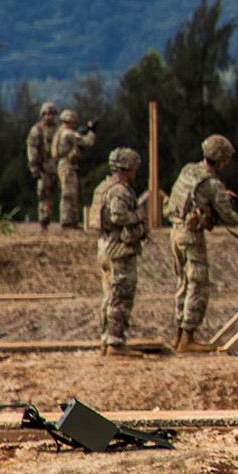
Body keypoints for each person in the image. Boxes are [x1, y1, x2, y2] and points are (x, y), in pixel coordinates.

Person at [165, 134, 238, 348]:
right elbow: (229, 216)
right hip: (191, 235)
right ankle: (188, 339)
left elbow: (193, 195)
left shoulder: (189, 170)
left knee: (184, 283)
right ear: (223, 160)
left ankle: (178, 335)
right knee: (198, 285)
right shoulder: (212, 183)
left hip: (175, 232)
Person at [89, 147, 148, 351]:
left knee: (110, 296)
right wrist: (139, 216)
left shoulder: (104, 187)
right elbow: (118, 216)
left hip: (105, 246)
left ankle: (107, 339)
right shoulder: (120, 190)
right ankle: (115, 342)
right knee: (121, 296)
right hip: (119, 250)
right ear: (128, 169)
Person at [52, 110, 96, 233]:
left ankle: (72, 222)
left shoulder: (60, 132)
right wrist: (92, 130)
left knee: (71, 193)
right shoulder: (68, 134)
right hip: (67, 165)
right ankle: (67, 223)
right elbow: (88, 142)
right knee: (68, 194)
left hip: (64, 164)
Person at [25, 101, 60, 227]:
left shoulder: (58, 129)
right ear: (43, 115)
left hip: (57, 166)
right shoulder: (37, 130)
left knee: (65, 195)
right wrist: (34, 166)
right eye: (47, 114)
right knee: (44, 195)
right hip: (44, 167)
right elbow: (32, 149)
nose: (50, 116)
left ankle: (66, 221)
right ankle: (44, 221)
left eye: (52, 114)